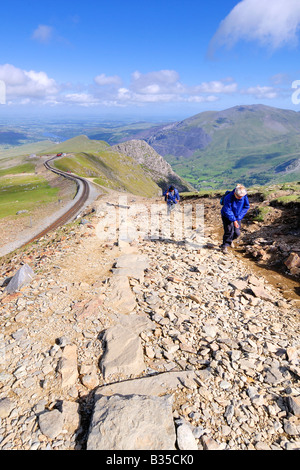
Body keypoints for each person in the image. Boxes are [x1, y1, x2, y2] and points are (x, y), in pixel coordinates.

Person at [220, 184, 250, 253]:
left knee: (237, 233)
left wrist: (238, 218)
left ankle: (230, 240)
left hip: (237, 216)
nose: (240, 198)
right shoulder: (228, 197)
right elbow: (227, 210)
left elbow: (246, 206)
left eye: (241, 197)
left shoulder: (244, 196)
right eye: (238, 196)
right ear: (234, 193)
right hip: (226, 216)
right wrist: (234, 220)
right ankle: (224, 246)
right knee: (229, 231)